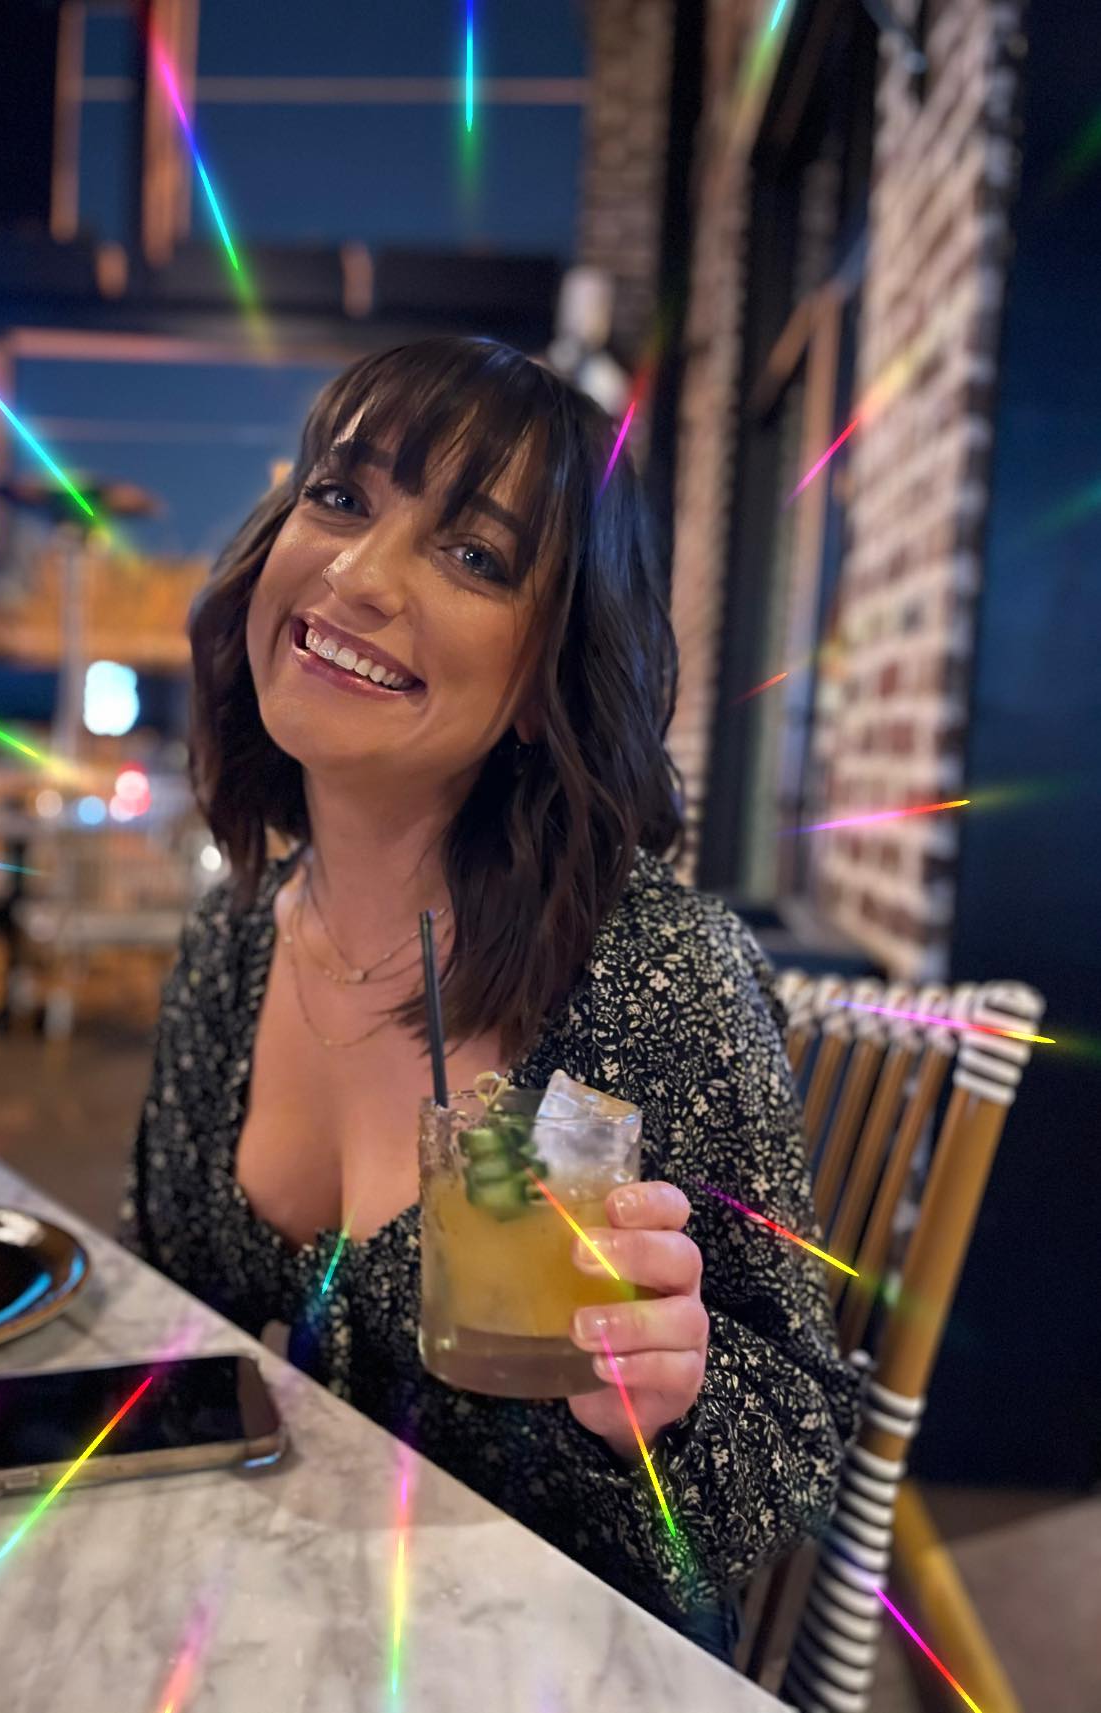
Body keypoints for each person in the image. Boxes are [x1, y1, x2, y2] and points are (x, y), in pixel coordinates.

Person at [119, 335, 859, 1663]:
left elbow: (793, 1450)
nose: (358, 575)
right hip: (262, 1636)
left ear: (542, 681)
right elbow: (161, 1310)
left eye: (473, 554)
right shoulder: (233, 939)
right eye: (340, 496)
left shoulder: (649, 975)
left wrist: (667, 1399)